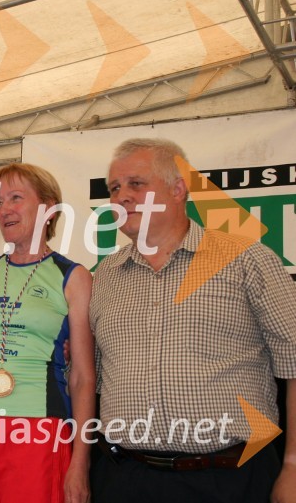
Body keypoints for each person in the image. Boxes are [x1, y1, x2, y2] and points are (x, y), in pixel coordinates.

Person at [90, 138, 296, 503]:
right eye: (114, 188)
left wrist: (293, 465)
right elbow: (90, 375)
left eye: (136, 184)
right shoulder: (104, 275)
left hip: (230, 479)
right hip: (125, 478)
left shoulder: (247, 259)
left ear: (177, 189)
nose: (121, 197)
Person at [0, 163, 94, 503]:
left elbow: (83, 378)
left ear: (48, 207)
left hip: (38, 427)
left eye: (15, 198)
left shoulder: (72, 276)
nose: (4, 210)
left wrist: (81, 462)